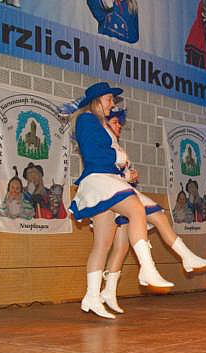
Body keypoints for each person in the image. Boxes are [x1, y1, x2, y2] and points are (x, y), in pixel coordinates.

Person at [69, 82, 172, 319]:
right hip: (99, 185)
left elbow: (109, 159)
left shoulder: (100, 125)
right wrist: (121, 160)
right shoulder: (87, 120)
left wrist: (125, 172)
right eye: (109, 99)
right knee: (135, 212)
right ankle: (147, 269)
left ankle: (93, 296)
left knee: (104, 244)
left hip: (108, 187)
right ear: (96, 101)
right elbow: (95, 156)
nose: (112, 104)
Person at [102, 109, 206, 313]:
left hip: (121, 196)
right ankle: (184, 257)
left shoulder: (116, 146)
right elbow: (102, 171)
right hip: (111, 196)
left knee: (122, 247)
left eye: (120, 123)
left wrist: (130, 176)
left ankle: (109, 291)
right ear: (104, 123)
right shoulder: (103, 144)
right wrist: (126, 177)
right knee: (155, 217)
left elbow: (118, 172)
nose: (119, 127)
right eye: (115, 122)